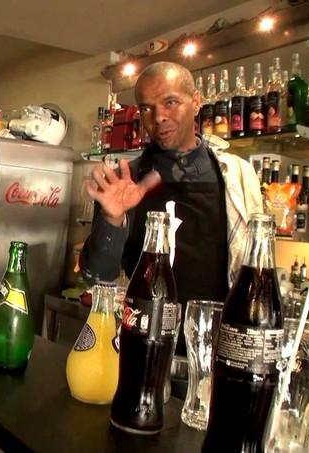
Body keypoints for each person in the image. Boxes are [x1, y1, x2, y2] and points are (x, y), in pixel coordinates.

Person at [79, 62, 263, 354]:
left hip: (213, 351)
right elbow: (96, 276)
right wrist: (112, 218)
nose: (159, 117)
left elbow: (256, 271)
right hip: (141, 345)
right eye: (147, 108)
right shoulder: (127, 180)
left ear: (196, 102)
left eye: (170, 102)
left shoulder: (236, 178)